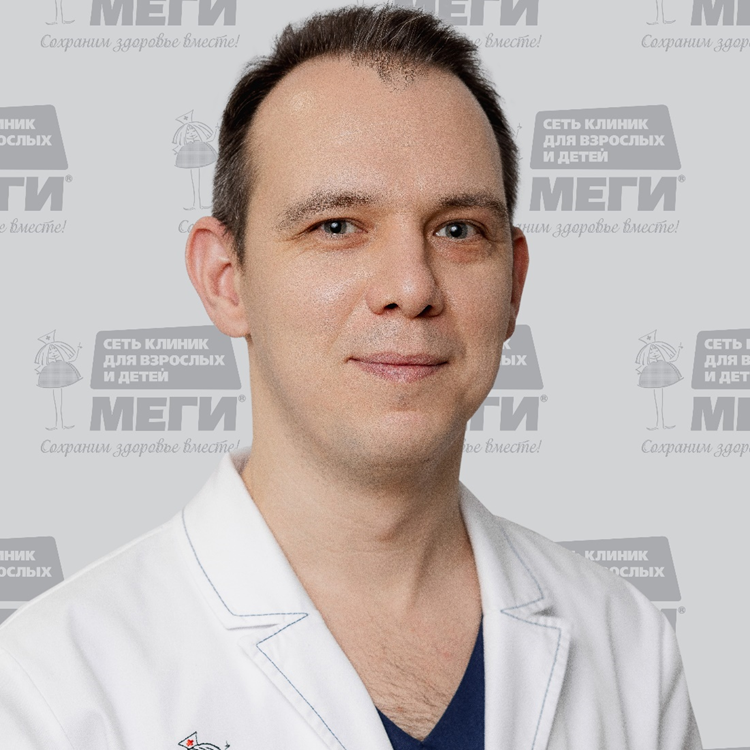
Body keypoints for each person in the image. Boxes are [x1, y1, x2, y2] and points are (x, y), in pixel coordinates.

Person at [0, 5, 702, 749]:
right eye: (336, 226)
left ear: (514, 285)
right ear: (225, 280)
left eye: (458, 230)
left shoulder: (627, 646)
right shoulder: (55, 687)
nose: (412, 286)